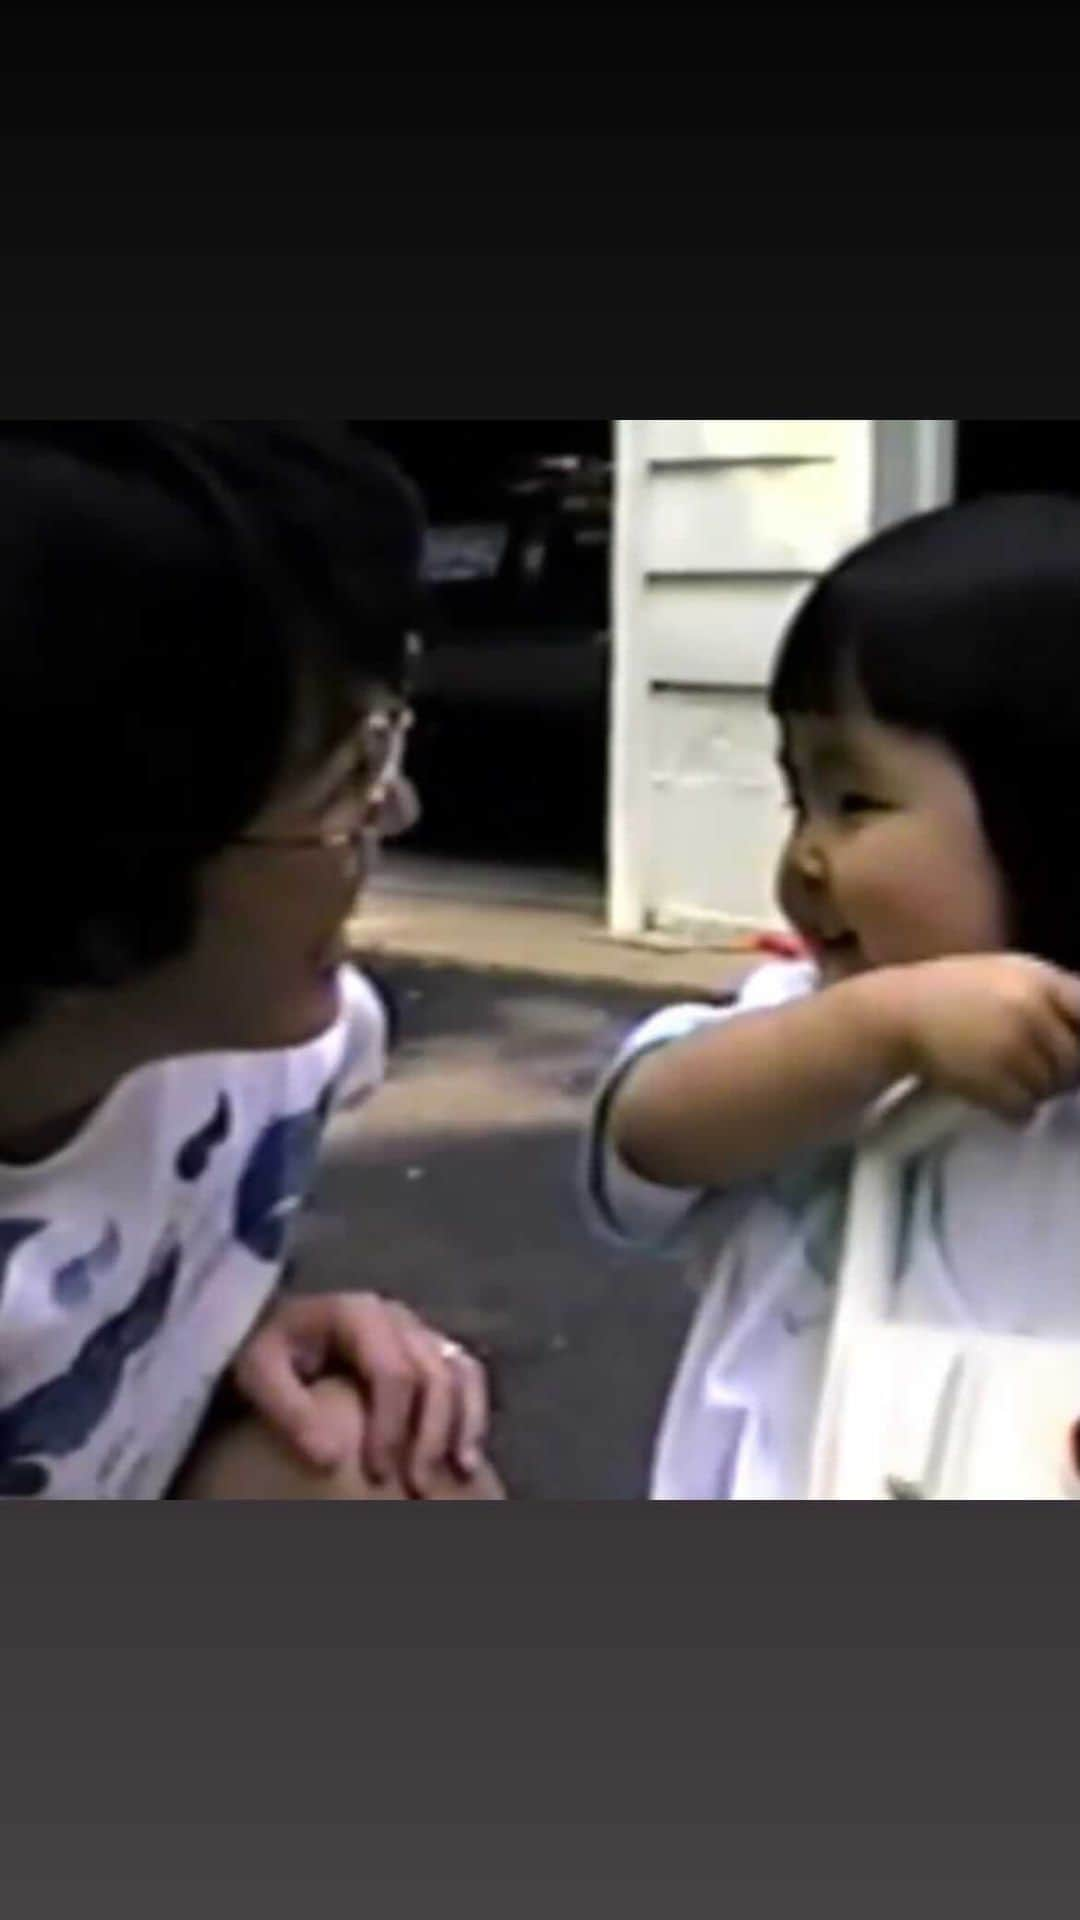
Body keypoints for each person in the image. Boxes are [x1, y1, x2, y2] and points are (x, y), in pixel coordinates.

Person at [0, 423, 502, 1501]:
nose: (398, 810)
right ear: (107, 846)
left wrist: (223, 1335)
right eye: (350, 775)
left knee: (387, 1464)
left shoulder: (273, 1056)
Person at [586, 493, 1080, 1500]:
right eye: (796, 797)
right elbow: (646, 1131)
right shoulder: (806, 1030)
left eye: (854, 802)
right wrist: (878, 1032)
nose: (804, 852)